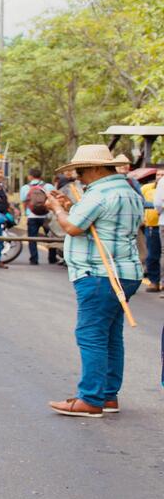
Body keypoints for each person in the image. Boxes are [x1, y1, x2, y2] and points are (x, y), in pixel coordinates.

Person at [44, 145, 144, 418]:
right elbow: (99, 223)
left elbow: (73, 227)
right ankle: (108, 395)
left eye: (82, 170)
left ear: (97, 168)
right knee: (111, 336)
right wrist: (71, 207)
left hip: (100, 273)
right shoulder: (128, 191)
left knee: (91, 335)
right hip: (126, 272)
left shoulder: (100, 193)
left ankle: (90, 399)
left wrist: (56, 208)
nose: (78, 176)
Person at [20, 168, 58, 266]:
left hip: (32, 216)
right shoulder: (48, 186)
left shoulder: (25, 187)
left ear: (30, 176)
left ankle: (34, 259)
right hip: (47, 216)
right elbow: (54, 199)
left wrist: (26, 213)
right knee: (51, 237)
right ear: (41, 176)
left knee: (32, 238)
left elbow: (24, 202)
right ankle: (52, 258)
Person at [144, 170, 162, 292]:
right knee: (153, 255)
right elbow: (139, 201)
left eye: (162, 175)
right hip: (152, 226)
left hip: (161, 223)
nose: (160, 177)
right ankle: (154, 281)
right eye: (158, 175)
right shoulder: (147, 188)